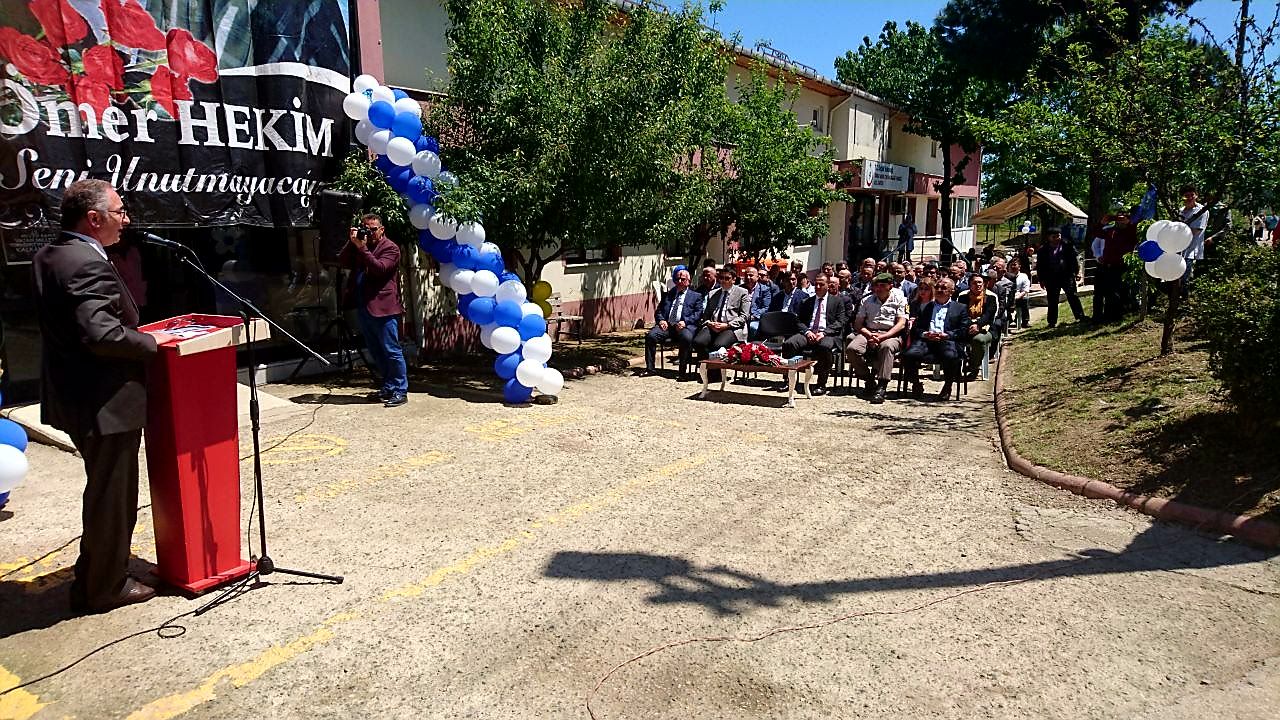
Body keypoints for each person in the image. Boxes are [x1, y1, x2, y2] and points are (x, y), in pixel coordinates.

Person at [33, 179, 174, 613]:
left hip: (77, 395)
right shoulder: (84, 262)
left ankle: (97, 570)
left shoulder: (52, 253)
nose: (126, 220)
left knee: (103, 493)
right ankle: (103, 588)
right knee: (113, 498)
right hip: (104, 401)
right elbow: (99, 332)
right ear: (93, 219)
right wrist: (155, 344)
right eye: (120, 212)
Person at [341, 213, 408, 407]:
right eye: (365, 229)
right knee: (376, 351)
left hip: (384, 308)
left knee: (392, 351)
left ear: (381, 230)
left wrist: (362, 249)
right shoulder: (361, 246)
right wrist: (352, 242)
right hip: (364, 306)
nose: (368, 234)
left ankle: (400, 390)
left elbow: (379, 268)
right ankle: (387, 386)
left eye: (372, 230)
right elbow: (343, 261)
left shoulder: (390, 248)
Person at [902, 277, 969, 400]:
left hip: (947, 341)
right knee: (908, 355)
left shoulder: (960, 308)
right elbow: (917, 328)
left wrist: (947, 335)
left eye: (943, 288)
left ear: (951, 291)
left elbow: (963, 330)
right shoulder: (927, 307)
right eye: (937, 287)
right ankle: (916, 384)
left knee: (951, 356)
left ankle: (947, 386)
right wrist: (925, 334)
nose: (939, 290)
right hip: (926, 341)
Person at [845, 273, 908, 404]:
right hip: (869, 332)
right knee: (852, 349)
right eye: (876, 286)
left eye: (882, 285)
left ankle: (881, 386)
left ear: (890, 286)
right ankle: (868, 380)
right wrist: (869, 335)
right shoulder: (866, 300)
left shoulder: (900, 299)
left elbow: (901, 323)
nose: (878, 289)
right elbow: (857, 324)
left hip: (890, 334)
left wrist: (884, 336)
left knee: (887, 347)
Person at [783, 275, 847, 395]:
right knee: (789, 344)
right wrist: (807, 332)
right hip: (809, 333)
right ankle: (789, 380)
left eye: (821, 284)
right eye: (816, 284)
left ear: (828, 285)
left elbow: (840, 322)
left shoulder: (837, 301)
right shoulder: (807, 301)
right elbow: (799, 321)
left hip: (827, 334)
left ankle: (821, 383)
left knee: (824, 347)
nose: (818, 287)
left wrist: (824, 333)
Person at [644, 269, 702, 377]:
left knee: (687, 338)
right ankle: (650, 369)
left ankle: (682, 372)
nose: (679, 281)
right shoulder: (668, 295)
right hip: (668, 327)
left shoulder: (695, 296)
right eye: (677, 279)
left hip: (683, 327)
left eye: (683, 279)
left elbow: (698, 314)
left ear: (688, 281)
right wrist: (661, 320)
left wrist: (685, 322)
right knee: (650, 336)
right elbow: (659, 311)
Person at [692, 266, 751, 370]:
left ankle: (716, 373)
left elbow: (744, 317)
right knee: (698, 342)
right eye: (721, 278)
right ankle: (706, 368)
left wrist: (727, 325)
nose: (723, 281)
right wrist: (709, 323)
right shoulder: (713, 293)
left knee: (718, 345)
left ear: (733, 279)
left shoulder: (742, 293)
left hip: (731, 328)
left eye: (727, 278)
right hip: (713, 326)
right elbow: (706, 315)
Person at [1034, 228, 1085, 327]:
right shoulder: (1043, 250)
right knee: (1052, 300)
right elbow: (1040, 266)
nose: (1057, 238)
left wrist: (1078, 272)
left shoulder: (1067, 245)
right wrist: (1041, 279)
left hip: (1067, 275)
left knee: (1072, 296)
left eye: (1058, 236)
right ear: (1049, 237)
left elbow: (1075, 259)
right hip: (1051, 278)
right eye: (1054, 236)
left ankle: (1080, 316)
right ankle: (1052, 322)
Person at [1094, 209, 1137, 323]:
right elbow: (1097, 233)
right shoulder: (1110, 230)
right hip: (1109, 265)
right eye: (1118, 218)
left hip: (1123, 265)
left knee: (1122, 291)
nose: (1120, 220)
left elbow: (1134, 231)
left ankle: (1119, 315)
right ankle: (1108, 316)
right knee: (1109, 292)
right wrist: (1103, 222)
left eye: (1123, 218)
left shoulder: (1131, 231)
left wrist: (1128, 222)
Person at [957, 274, 998, 377]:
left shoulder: (991, 298)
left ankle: (973, 366)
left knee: (978, 340)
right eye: (974, 283)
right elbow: (961, 314)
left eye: (980, 282)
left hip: (985, 329)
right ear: (969, 284)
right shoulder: (963, 297)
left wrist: (978, 326)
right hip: (966, 327)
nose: (978, 285)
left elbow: (988, 316)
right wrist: (971, 325)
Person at [1179, 185, 1208, 283]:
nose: (1190, 198)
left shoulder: (1201, 210)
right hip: (1179, 250)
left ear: (1196, 196)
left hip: (1192, 251)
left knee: (1185, 280)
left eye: (1192, 195)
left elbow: (1196, 230)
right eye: (1187, 196)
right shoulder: (1181, 211)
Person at [742, 266, 772, 339]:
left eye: (751, 275)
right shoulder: (740, 288)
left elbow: (766, 308)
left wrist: (753, 316)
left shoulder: (765, 290)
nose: (748, 277)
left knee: (753, 327)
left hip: (755, 318)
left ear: (757, 277)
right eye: (746, 275)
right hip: (741, 317)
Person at [1007, 257, 1031, 330]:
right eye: (1011, 265)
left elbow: (1025, 290)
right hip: (1008, 297)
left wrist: (1018, 296)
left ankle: (1025, 321)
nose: (1012, 267)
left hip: (1020, 296)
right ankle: (1009, 319)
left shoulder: (1023, 276)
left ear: (1019, 266)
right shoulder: (1006, 276)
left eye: (1015, 265)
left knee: (1025, 299)